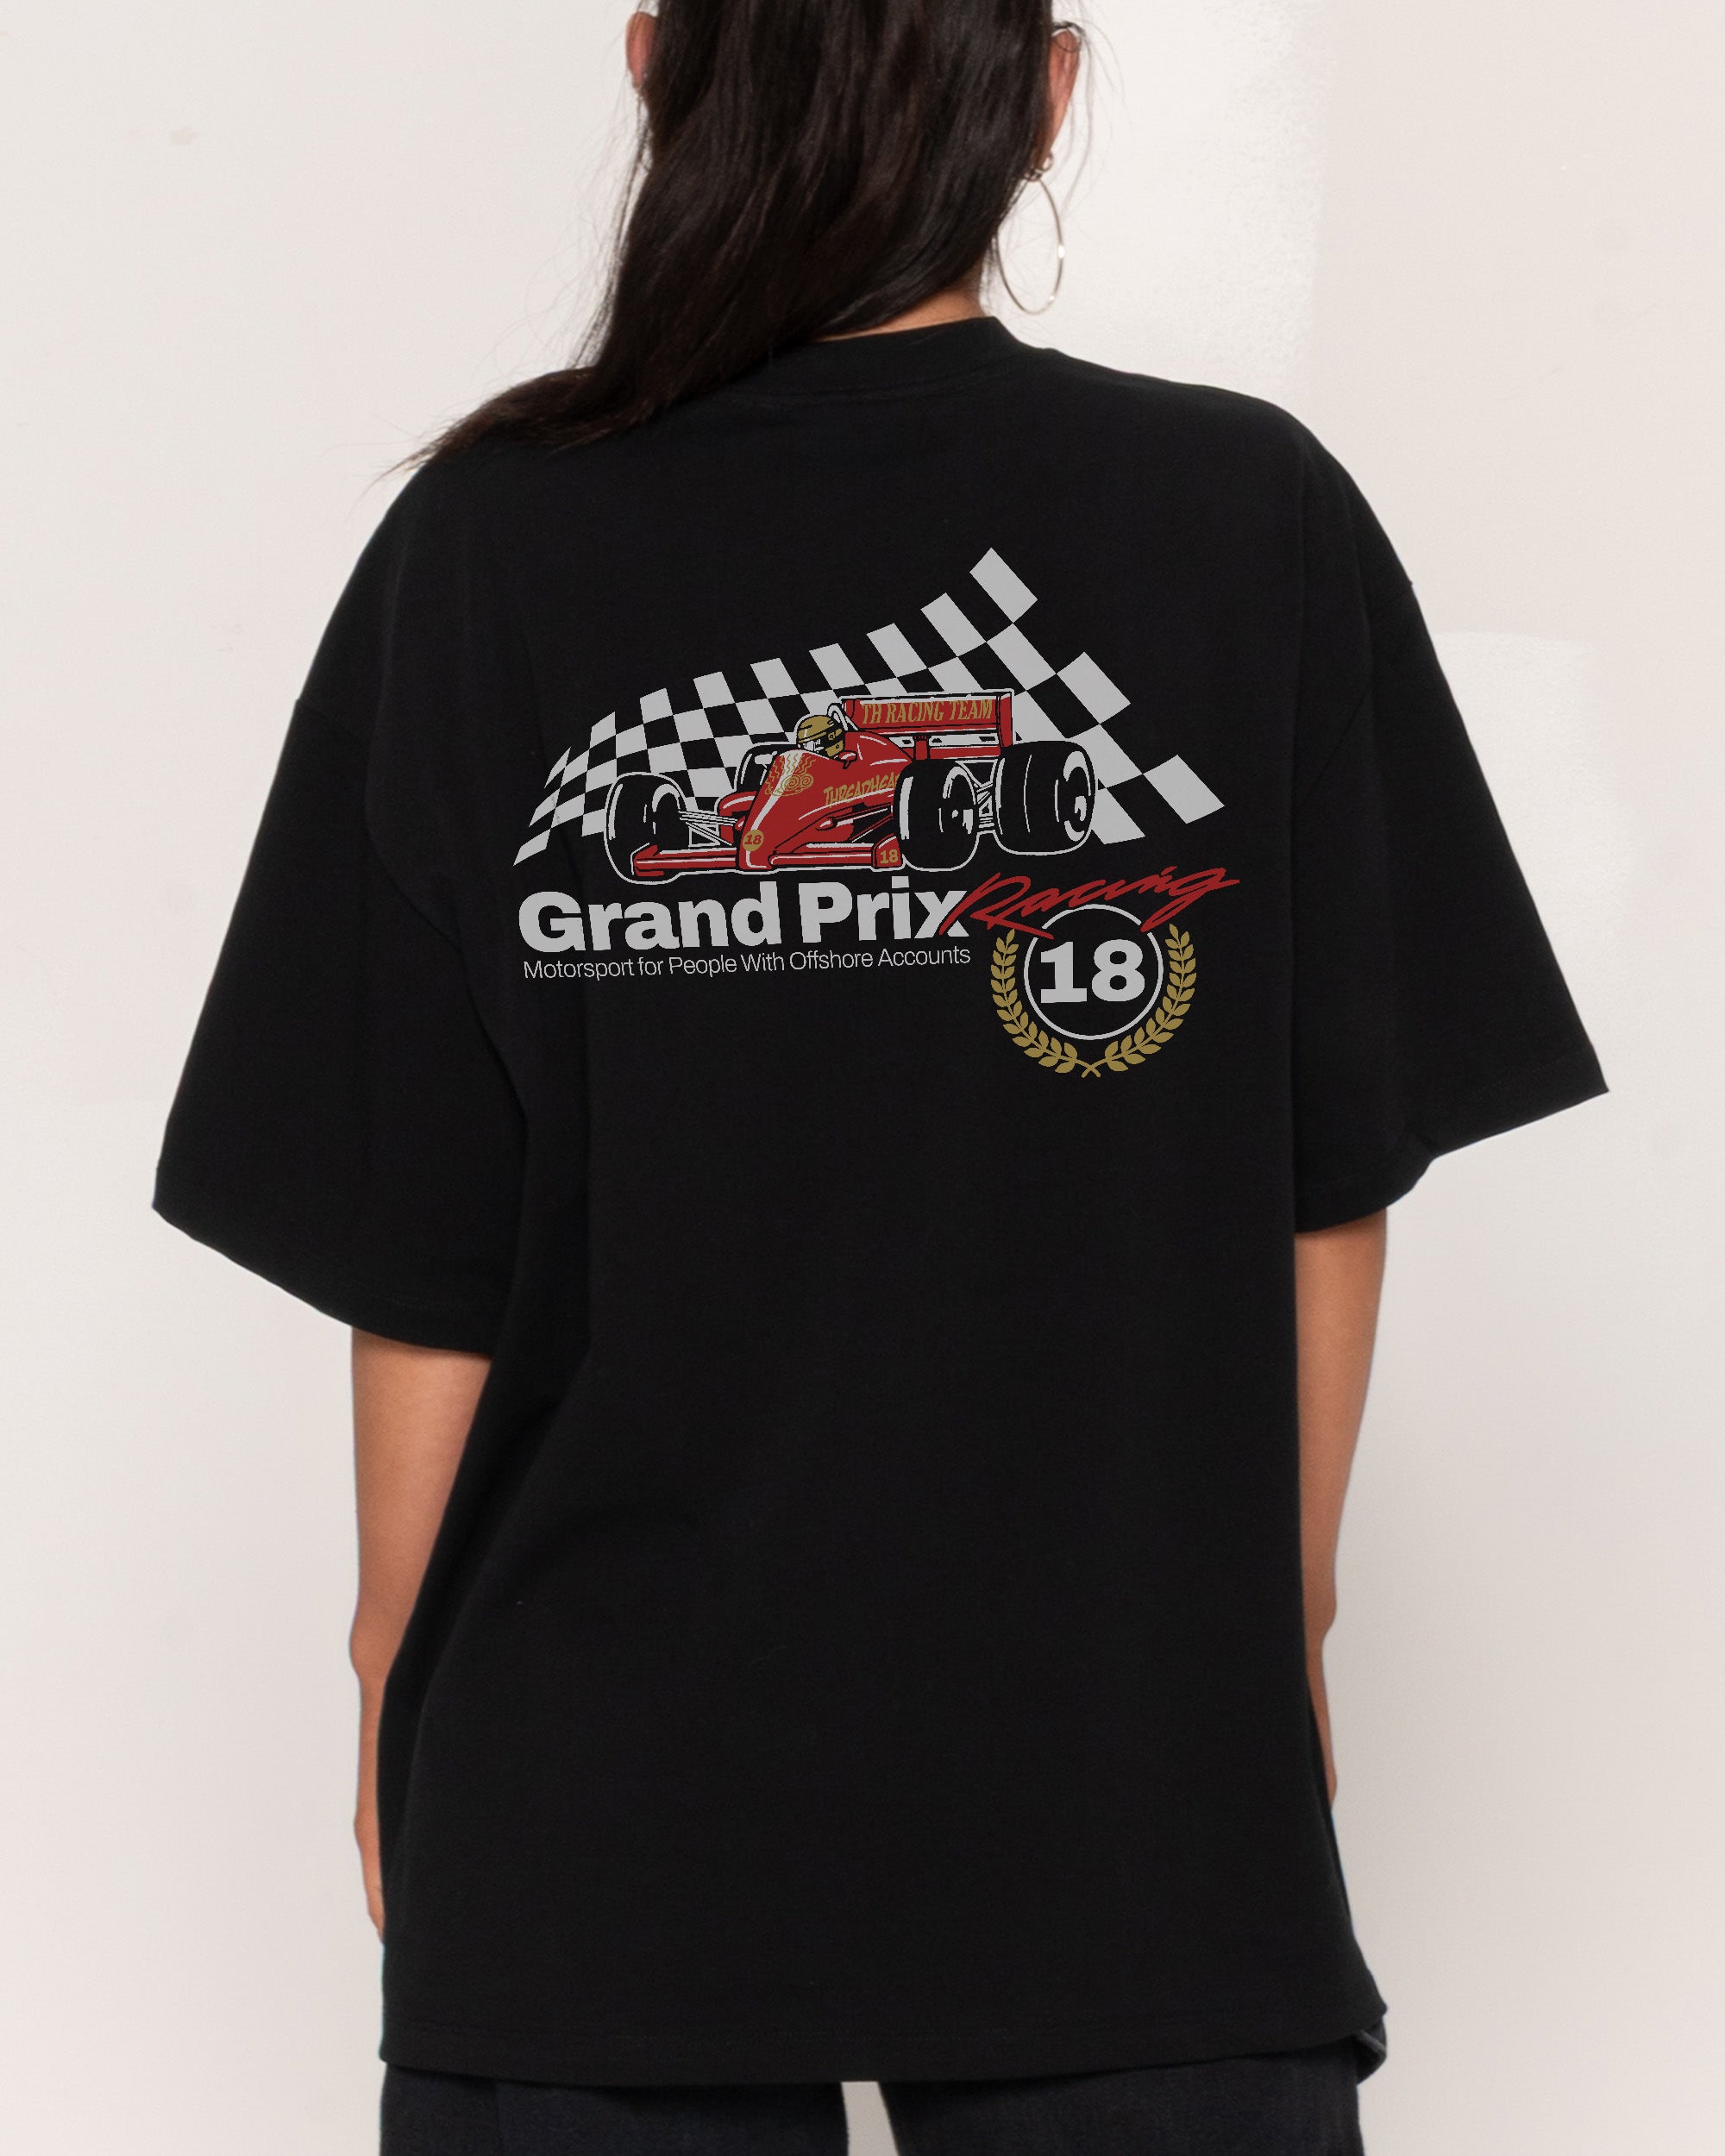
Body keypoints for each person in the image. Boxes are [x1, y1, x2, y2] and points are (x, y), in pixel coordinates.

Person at [154, 4, 1607, 2152]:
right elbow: (1328, 1175)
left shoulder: (489, 550)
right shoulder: (1244, 520)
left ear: (652, 63)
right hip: (1127, 1761)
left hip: (595, 1779)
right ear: (1046, 84)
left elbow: (426, 1250)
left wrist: (393, 1660)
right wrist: (1271, 1628)